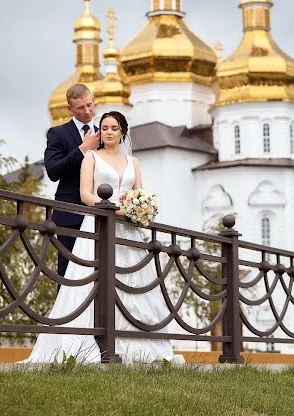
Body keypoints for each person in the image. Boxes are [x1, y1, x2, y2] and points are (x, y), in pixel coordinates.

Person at [26, 111, 183, 364]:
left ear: (122, 132)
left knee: (132, 283)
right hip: (98, 225)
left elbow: (138, 192)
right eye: (104, 127)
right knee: (91, 282)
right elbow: (85, 194)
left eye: (114, 128)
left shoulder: (134, 162)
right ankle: (93, 344)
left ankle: (140, 347)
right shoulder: (91, 157)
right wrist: (114, 209)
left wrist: (140, 208)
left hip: (128, 231)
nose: (108, 132)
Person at [44, 84, 100, 277]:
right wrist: (83, 149)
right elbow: (53, 171)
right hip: (70, 215)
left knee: (100, 273)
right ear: (69, 109)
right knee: (68, 274)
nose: (87, 111)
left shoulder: (105, 134)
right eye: (81, 108)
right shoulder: (57, 133)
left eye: (90, 105)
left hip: (101, 215)